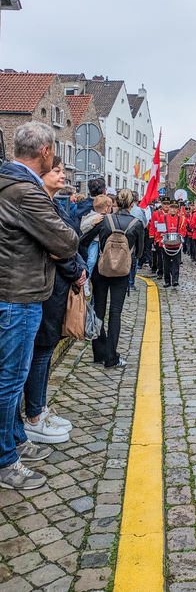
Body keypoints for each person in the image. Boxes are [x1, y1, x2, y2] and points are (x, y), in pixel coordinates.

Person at [0, 122, 79, 490]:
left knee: (13, 379)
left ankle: (15, 440)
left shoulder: (9, 182)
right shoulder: (26, 193)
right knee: (11, 380)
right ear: (45, 152)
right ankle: (5, 461)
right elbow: (65, 241)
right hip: (19, 296)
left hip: (17, 292)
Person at [23, 156, 87, 445]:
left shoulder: (54, 205)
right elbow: (55, 246)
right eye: (57, 171)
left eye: (63, 170)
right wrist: (76, 271)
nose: (63, 175)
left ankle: (41, 408)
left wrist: (81, 265)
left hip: (58, 287)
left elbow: (72, 242)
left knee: (45, 353)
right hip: (48, 289)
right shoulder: (40, 205)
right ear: (42, 173)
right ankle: (34, 416)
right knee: (41, 353)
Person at [81, 188, 144, 369]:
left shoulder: (105, 220)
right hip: (121, 273)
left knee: (99, 310)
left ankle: (98, 352)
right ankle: (111, 357)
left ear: (115, 202)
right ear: (132, 204)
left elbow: (84, 240)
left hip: (101, 270)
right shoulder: (136, 223)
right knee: (115, 313)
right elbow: (139, 252)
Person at [162, 200, 186, 288]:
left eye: (175, 208)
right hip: (166, 244)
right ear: (169, 208)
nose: (173, 210)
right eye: (172, 208)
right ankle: (167, 281)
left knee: (176, 263)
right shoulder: (163, 217)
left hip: (176, 244)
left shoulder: (181, 218)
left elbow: (183, 230)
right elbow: (159, 229)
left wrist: (180, 237)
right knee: (166, 264)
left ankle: (175, 280)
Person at [129, 192, 148, 290]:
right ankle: (131, 282)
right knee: (134, 259)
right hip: (136, 237)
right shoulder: (139, 210)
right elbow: (145, 224)